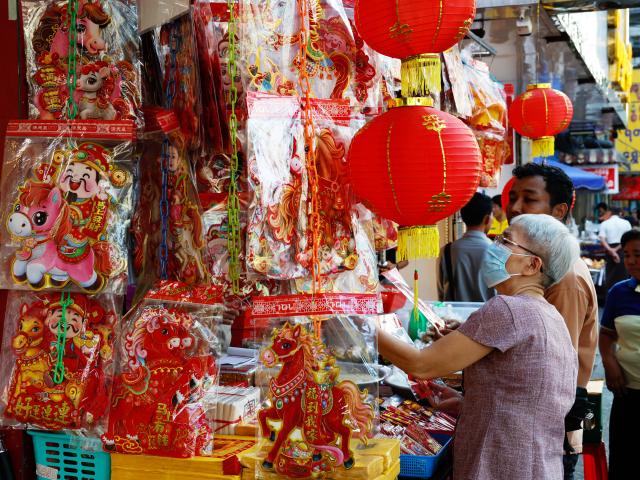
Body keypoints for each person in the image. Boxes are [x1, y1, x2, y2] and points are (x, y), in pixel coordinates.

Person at [378, 214, 579, 480]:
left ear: (532, 264)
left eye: (505, 241)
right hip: (537, 465)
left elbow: (421, 364)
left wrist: (359, 323)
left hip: (499, 465)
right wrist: (467, 403)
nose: (493, 246)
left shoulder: (509, 309)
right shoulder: (550, 316)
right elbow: (525, 397)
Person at [507, 162, 598, 479]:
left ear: (558, 211)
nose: (514, 208)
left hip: (549, 421)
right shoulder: (542, 266)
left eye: (529, 199)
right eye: (512, 197)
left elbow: (553, 364)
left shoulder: (564, 278)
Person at [599, 228, 640, 480]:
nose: (632, 260)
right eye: (627, 255)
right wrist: (609, 361)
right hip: (628, 394)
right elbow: (606, 335)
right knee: (625, 461)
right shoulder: (619, 292)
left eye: (638, 254)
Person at [437, 192, 494, 302]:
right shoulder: (498, 251)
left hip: (454, 317)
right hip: (490, 317)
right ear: (487, 219)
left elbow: (441, 292)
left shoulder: (447, 251)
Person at [598, 203, 632, 292]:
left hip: (609, 252)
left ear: (610, 212)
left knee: (610, 277)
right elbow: (628, 239)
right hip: (622, 250)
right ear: (620, 213)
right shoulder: (626, 223)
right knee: (623, 277)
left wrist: (611, 251)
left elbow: (602, 239)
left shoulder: (604, 223)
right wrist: (616, 250)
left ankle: (610, 300)